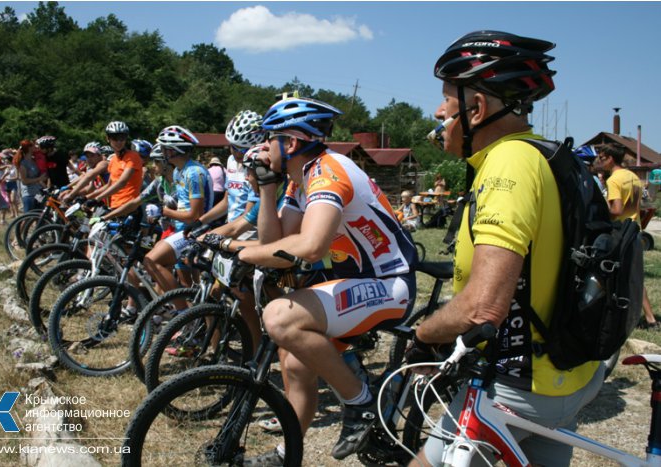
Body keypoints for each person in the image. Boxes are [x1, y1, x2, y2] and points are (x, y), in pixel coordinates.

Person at [408, 31, 604, 467]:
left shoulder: (507, 163)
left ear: (476, 108)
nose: (439, 112)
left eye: (446, 99)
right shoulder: (550, 155)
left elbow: (483, 307)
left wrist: (422, 337)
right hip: (569, 374)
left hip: (517, 385)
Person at [237, 97, 417, 464]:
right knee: (294, 362)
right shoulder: (298, 180)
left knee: (279, 317)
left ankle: (361, 401)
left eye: (269, 138)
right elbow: (274, 244)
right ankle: (289, 452)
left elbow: (309, 246)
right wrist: (267, 189)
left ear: (290, 143)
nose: (262, 147)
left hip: (391, 283)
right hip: (359, 283)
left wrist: (237, 248)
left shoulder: (328, 172)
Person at [143, 125, 213, 309]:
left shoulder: (194, 173)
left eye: (165, 148)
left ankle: (184, 315)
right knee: (181, 278)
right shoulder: (178, 171)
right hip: (182, 229)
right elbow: (183, 205)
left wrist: (164, 211)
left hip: (196, 230)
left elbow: (194, 215)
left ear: (174, 150)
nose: (163, 152)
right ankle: (189, 314)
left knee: (151, 260)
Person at [597, 142, 659, 330]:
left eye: (601, 158)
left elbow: (616, 210)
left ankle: (646, 319)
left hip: (620, 233)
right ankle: (648, 319)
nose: (599, 161)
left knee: (616, 275)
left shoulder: (614, 180)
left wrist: (601, 209)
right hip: (634, 230)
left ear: (610, 159)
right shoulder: (632, 176)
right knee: (634, 276)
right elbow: (637, 205)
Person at [199, 110, 265, 226]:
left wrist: (222, 234)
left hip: (249, 233)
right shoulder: (231, 161)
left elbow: (249, 215)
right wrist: (200, 221)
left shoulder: (259, 168)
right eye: (234, 147)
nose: (237, 154)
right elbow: (226, 202)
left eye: (244, 150)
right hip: (231, 228)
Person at [86, 121, 143, 210]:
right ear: (108, 138)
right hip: (115, 207)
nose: (119, 141)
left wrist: (97, 199)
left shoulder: (133, 157)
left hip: (130, 207)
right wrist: (87, 197)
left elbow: (122, 182)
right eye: (115, 138)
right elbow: (109, 185)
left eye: (122, 138)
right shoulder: (113, 160)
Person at [15, 139, 48, 213]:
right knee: (28, 217)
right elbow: (24, 181)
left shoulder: (34, 160)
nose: (36, 147)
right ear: (29, 148)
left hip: (38, 193)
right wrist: (39, 178)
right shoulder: (23, 163)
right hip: (29, 194)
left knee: (40, 214)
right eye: (34, 145)